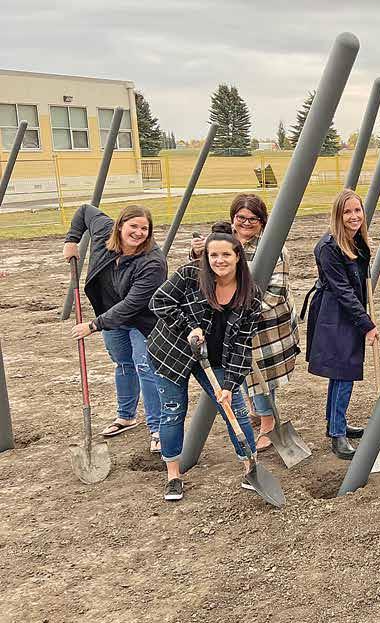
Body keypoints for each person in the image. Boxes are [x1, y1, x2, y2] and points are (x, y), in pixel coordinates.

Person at [148, 229, 263, 502]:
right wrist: (189, 327)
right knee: (173, 410)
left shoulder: (251, 295)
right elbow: (159, 301)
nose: (219, 260)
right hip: (172, 352)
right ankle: (173, 476)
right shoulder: (190, 275)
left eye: (226, 254)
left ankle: (251, 468)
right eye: (213, 255)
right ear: (206, 257)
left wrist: (230, 384)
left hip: (215, 358)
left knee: (235, 408)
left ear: (238, 256)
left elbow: (242, 344)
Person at [191, 194, 300, 451]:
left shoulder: (274, 247)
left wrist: (245, 315)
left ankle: (268, 422)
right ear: (233, 218)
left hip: (267, 324)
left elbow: (276, 290)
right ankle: (258, 412)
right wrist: (197, 253)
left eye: (253, 219)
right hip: (233, 322)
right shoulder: (226, 243)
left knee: (261, 376)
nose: (246, 223)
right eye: (241, 217)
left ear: (263, 221)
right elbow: (206, 271)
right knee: (242, 372)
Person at [62, 204, 167, 453]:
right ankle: (126, 416)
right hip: (112, 317)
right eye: (133, 226)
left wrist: (93, 325)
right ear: (119, 226)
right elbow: (85, 211)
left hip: (144, 320)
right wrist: (71, 240)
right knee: (123, 364)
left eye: (144, 229)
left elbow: (132, 304)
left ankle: (158, 428)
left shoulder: (153, 262)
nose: (138, 232)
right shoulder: (103, 232)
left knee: (145, 366)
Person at [303, 189, 379, 461]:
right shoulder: (329, 248)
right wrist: (367, 323)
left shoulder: (357, 242)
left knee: (341, 372)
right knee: (344, 372)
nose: (354, 216)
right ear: (338, 215)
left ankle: (336, 423)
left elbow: (359, 282)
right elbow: (343, 291)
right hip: (334, 316)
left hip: (349, 312)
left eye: (357, 210)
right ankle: (337, 434)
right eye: (347, 212)